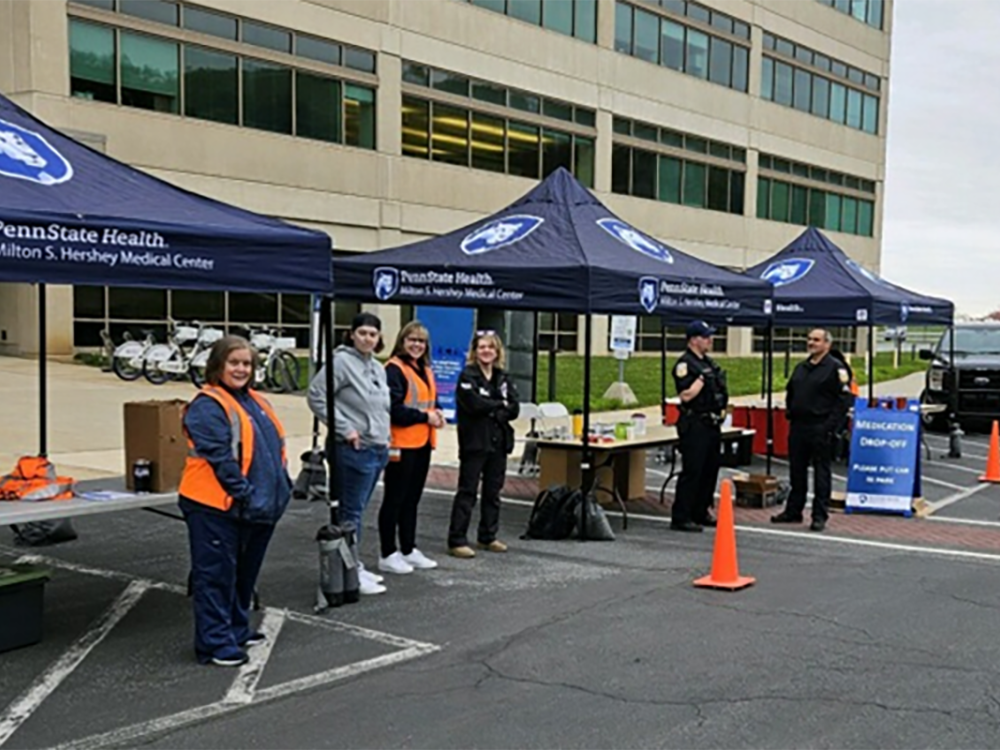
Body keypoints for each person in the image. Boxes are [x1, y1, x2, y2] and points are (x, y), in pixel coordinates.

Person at [178, 335, 292, 667]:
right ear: (218, 365)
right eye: (234, 362)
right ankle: (214, 643)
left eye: (247, 363)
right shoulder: (207, 405)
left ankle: (237, 629)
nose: (241, 369)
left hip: (256, 507)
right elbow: (221, 460)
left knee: (243, 575)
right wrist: (246, 494)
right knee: (215, 575)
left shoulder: (254, 401)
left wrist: (278, 489)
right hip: (216, 507)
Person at [308, 312, 391, 595]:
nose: (368, 338)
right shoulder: (341, 363)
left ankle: (354, 563)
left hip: (376, 448)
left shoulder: (378, 368)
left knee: (358, 511)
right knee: (350, 512)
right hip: (353, 449)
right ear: (352, 334)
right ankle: (349, 567)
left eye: (373, 334)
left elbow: (381, 408)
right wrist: (346, 428)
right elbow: (317, 395)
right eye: (363, 333)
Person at [379, 321, 445, 574]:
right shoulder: (394, 370)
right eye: (412, 340)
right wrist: (425, 417)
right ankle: (387, 552)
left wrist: (436, 413)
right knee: (394, 499)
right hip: (401, 444)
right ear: (402, 341)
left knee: (412, 499)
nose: (417, 345)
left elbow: (431, 400)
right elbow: (394, 409)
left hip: (422, 443)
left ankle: (408, 548)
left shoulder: (424, 368)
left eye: (421, 341)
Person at [772, 328, 853, 532]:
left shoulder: (835, 368)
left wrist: (829, 426)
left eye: (816, 340)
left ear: (827, 344)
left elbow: (844, 400)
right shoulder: (802, 367)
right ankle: (793, 511)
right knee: (796, 471)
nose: (811, 343)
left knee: (821, 474)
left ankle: (819, 515)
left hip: (821, 426)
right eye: (809, 339)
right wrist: (791, 411)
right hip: (799, 425)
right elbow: (792, 391)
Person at [447, 331, 520, 558]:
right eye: (481, 347)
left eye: (491, 347)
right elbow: (473, 404)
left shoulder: (503, 377)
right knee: (467, 491)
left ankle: (487, 536)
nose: (486, 351)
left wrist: (494, 406)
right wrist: (499, 404)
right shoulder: (467, 376)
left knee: (493, 492)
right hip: (474, 443)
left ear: (497, 351)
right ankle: (457, 539)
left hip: (498, 443)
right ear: (474, 351)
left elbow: (514, 408)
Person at [671, 320, 728, 532]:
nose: (710, 340)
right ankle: (681, 516)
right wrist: (701, 381)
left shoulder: (709, 363)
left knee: (709, 470)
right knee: (693, 470)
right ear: (694, 340)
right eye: (706, 337)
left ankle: (701, 510)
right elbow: (686, 395)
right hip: (694, 423)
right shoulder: (685, 365)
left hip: (712, 423)